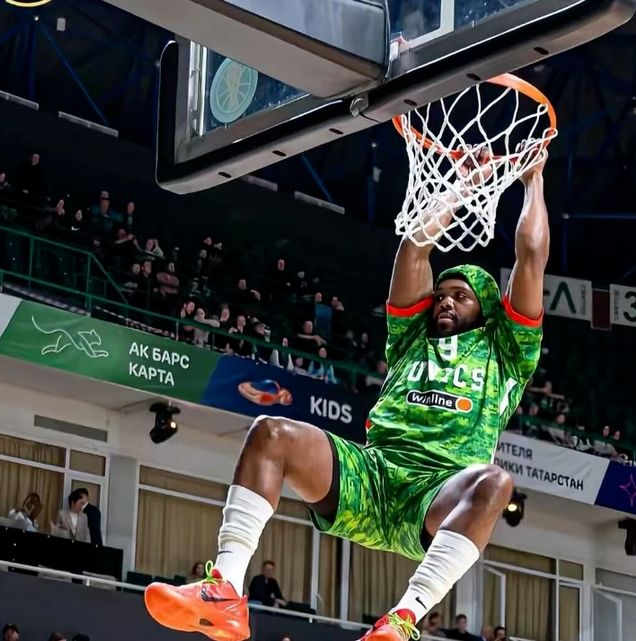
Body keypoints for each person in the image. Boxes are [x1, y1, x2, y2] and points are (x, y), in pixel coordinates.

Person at [144, 149, 549, 641]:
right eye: (442, 295)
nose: (445, 301)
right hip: (371, 474)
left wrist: (533, 181)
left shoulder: (508, 351)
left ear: (485, 311)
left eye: (459, 297)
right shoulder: (411, 335)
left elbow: (531, 258)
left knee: (495, 482)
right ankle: (224, 591)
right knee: (270, 432)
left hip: (437, 493)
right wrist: (465, 185)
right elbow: (415, 248)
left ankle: (401, 622)